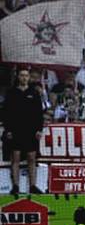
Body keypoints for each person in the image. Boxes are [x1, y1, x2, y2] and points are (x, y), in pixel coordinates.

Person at [3, 66, 45, 196]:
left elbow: (39, 113)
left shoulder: (34, 92)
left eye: (26, 76)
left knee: (31, 158)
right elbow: (6, 113)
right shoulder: (11, 93)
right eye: (22, 75)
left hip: (31, 130)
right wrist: (8, 129)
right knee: (15, 157)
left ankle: (33, 186)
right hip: (16, 130)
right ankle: (15, 186)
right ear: (18, 77)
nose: (24, 78)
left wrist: (39, 129)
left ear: (29, 77)